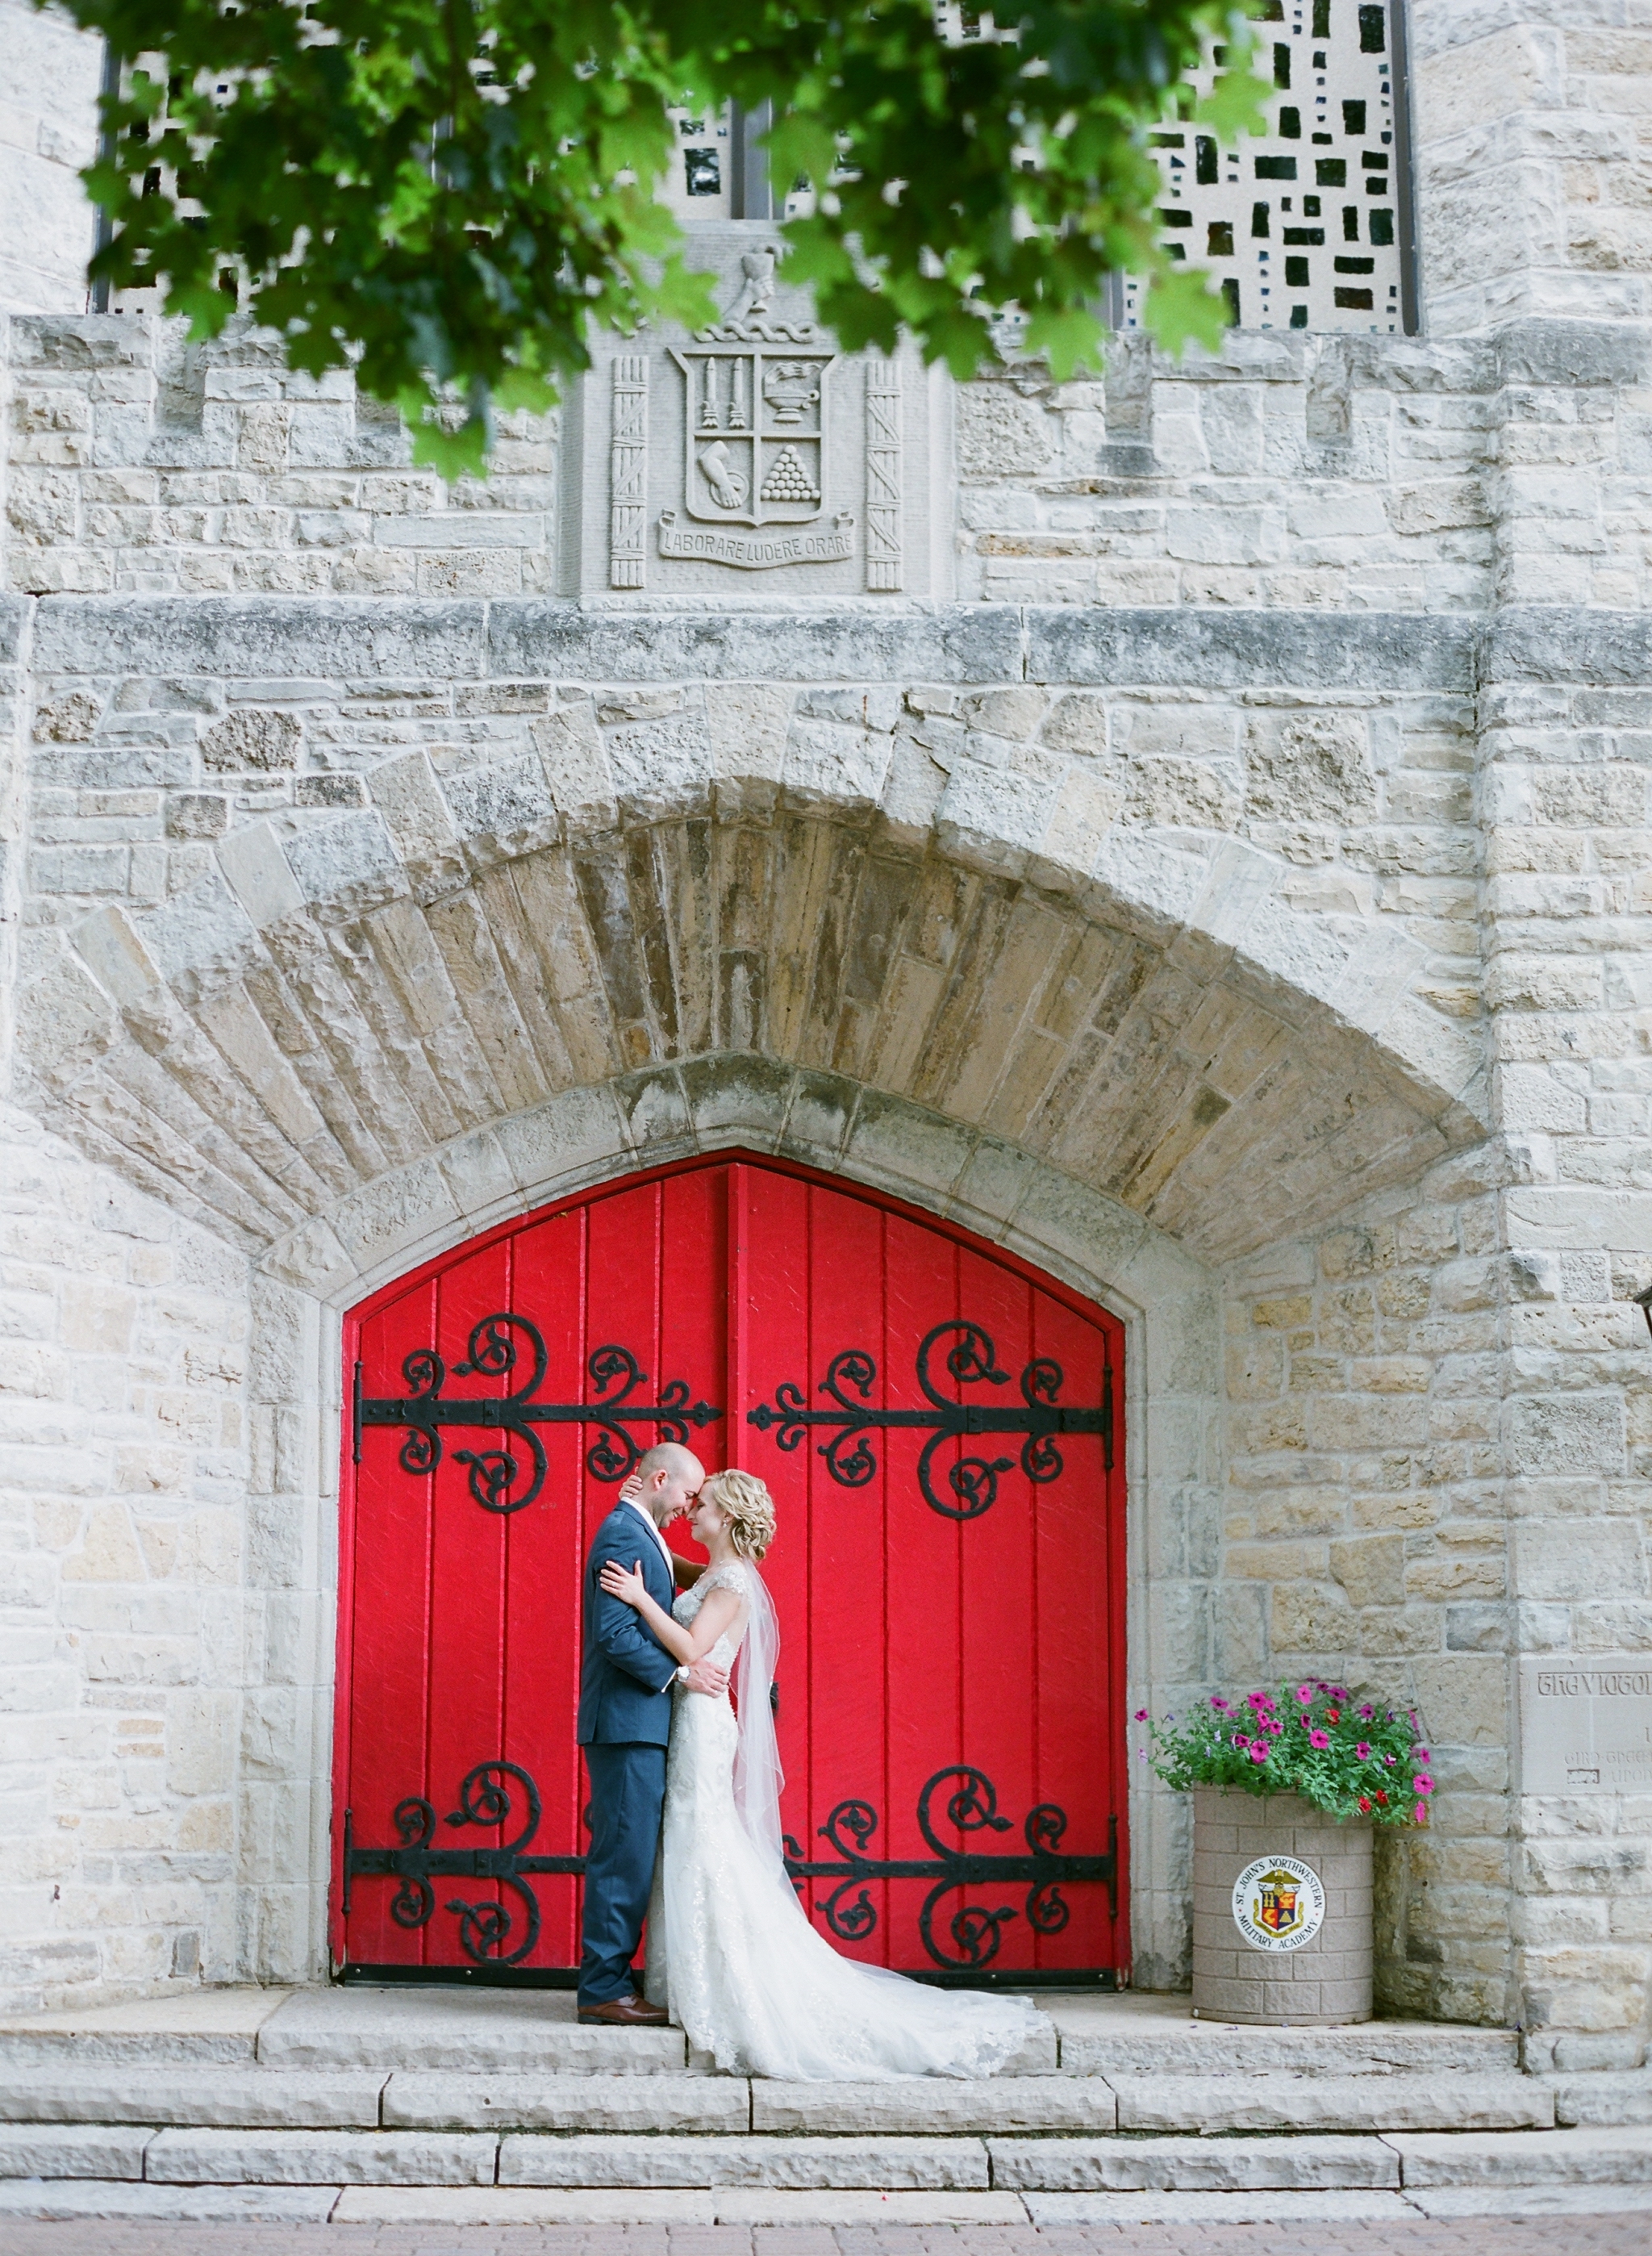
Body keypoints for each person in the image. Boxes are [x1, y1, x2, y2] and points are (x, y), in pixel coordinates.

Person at [598, 1467, 1042, 2078]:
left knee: (702, 1842)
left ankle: (727, 1987)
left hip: (701, 1723)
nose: (693, 1509)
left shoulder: (732, 1580)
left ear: (725, 1518)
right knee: (690, 1842)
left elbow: (694, 1649)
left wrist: (640, 1597)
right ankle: (696, 1980)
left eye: (703, 1505)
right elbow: (678, 1570)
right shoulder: (722, 1574)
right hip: (689, 1718)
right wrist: (644, 1516)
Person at [575, 1441, 728, 2026]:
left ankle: (611, 1980)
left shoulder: (640, 1529)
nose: (688, 1510)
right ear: (660, 1478)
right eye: (686, 1495)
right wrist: (682, 1673)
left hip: (639, 1722)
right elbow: (614, 1636)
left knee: (633, 1854)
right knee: (623, 1857)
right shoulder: (624, 1534)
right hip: (625, 1722)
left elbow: (689, 1577)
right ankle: (603, 1990)